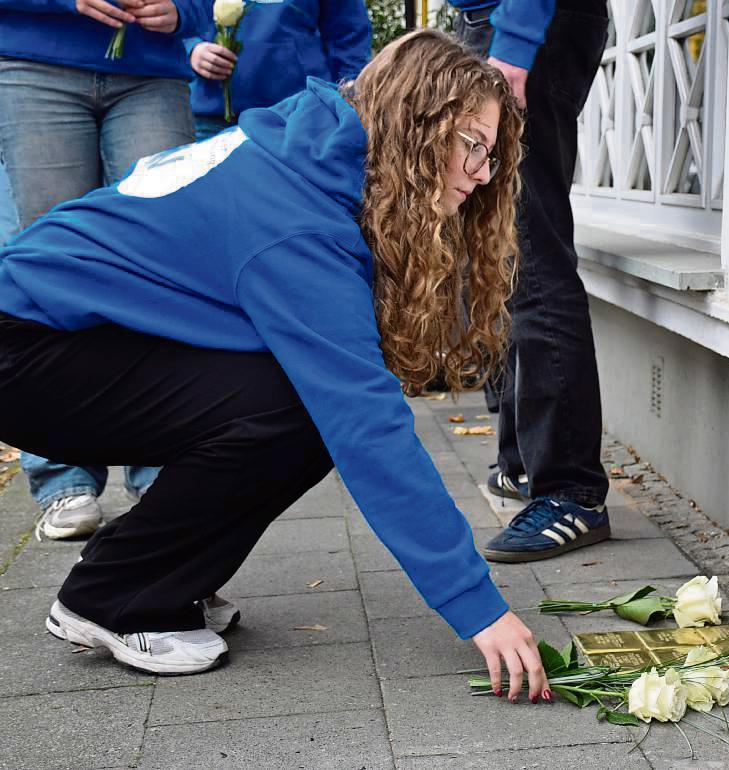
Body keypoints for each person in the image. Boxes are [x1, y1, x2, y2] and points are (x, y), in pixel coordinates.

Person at [0, 30, 550, 700]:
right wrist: (477, 606)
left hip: (66, 338)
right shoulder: (300, 221)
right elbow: (367, 424)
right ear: (416, 126)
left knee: (282, 398)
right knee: (296, 408)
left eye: (490, 157)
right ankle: (115, 598)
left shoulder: (316, 151)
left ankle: (156, 577)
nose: (480, 174)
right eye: (471, 146)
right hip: (24, 351)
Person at [0, 0, 213, 539]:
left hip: (152, 73)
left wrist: (184, 12)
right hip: (33, 67)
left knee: (163, 272)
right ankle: (61, 477)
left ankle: (162, 471)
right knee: (50, 275)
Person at [451, 0, 612, 561]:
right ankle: (522, 464)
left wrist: (515, 42)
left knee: (529, 257)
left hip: (525, 23)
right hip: (497, 23)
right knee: (499, 256)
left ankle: (570, 490)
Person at [184, 0, 371, 139]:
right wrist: (191, 49)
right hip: (211, 114)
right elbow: (175, 11)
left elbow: (348, 32)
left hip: (298, 114)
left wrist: (350, 89)